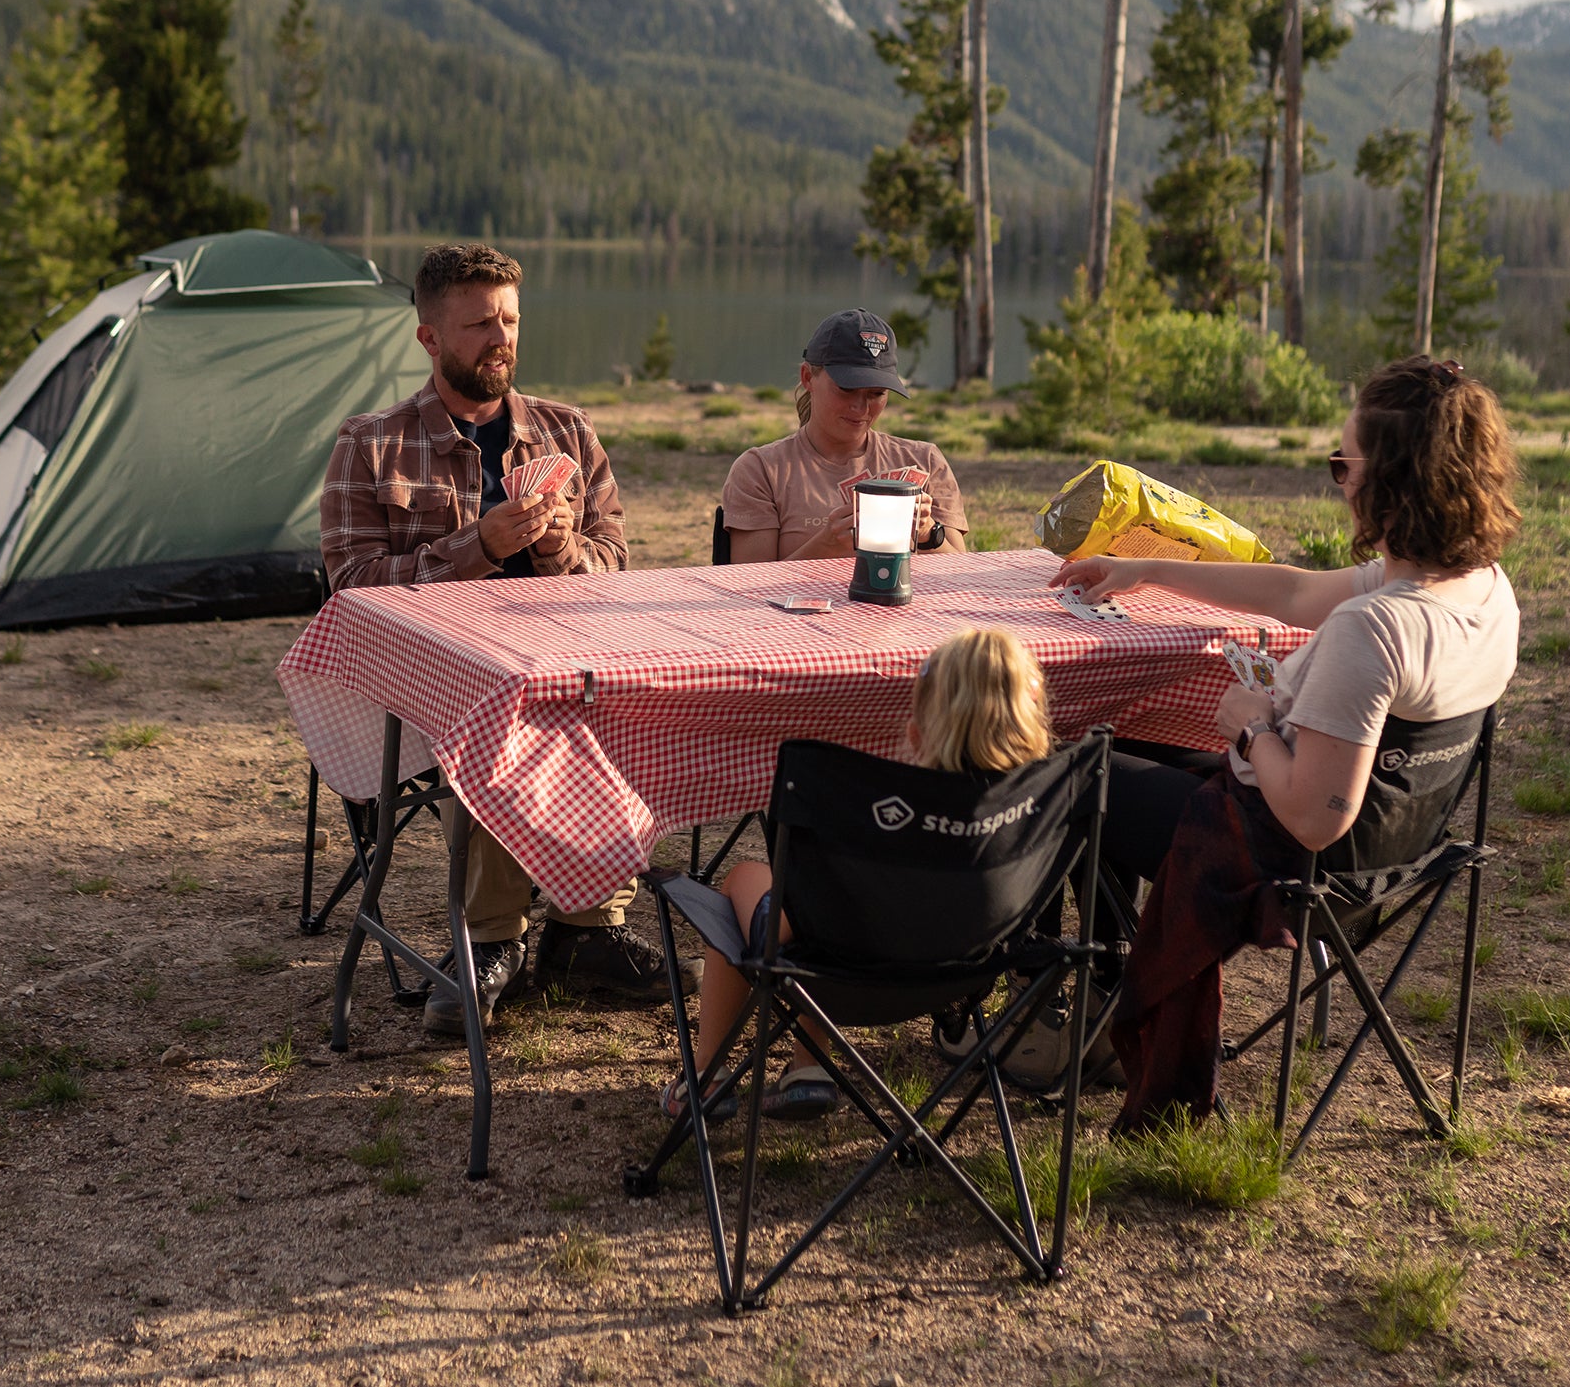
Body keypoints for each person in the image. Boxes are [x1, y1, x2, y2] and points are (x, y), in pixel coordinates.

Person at [1052, 355, 1522, 1127]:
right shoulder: (1480, 588)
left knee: (1071, 774)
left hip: (1292, 862)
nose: (1338, 479)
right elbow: (1296, 590)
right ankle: (1107, 1003)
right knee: (1120, 747)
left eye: (1345, 463)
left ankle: (1095, 1012)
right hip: (1399, 848)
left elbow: (1314, 814)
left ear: (1392, 480)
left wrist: (1252, 724)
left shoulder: (1377, 629)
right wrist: (1145, 567)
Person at [320, 242, 669, 1036]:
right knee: (502, 712)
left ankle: (587, 930)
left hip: (558, 662)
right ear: (430, 338)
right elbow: (350, 589)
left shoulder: (567, 433)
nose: (501, 337)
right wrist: (476, 547)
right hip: (425, 682)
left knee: (620, 701)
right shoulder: (369, 442)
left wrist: (557, 554)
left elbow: (615, 566)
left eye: (510, 319)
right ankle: (488, 942)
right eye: (479, 323)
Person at [665, 626, 1055, 1125]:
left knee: (747, 881)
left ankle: (707, 1079)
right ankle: (806, 1068)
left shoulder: (878, 813)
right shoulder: (1035, 811)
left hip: (833, 974)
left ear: (915, 732)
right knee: (822, 911)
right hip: (959, 971)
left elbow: (800, 916)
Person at [718, 309, 967, 563]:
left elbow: (962, 574)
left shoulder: (925, 461)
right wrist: (826, 546)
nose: (861, 408)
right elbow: (748, 588)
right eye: (847, 389)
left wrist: (928, 534)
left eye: (877, 393)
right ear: (808, 378)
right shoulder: (761, 470)